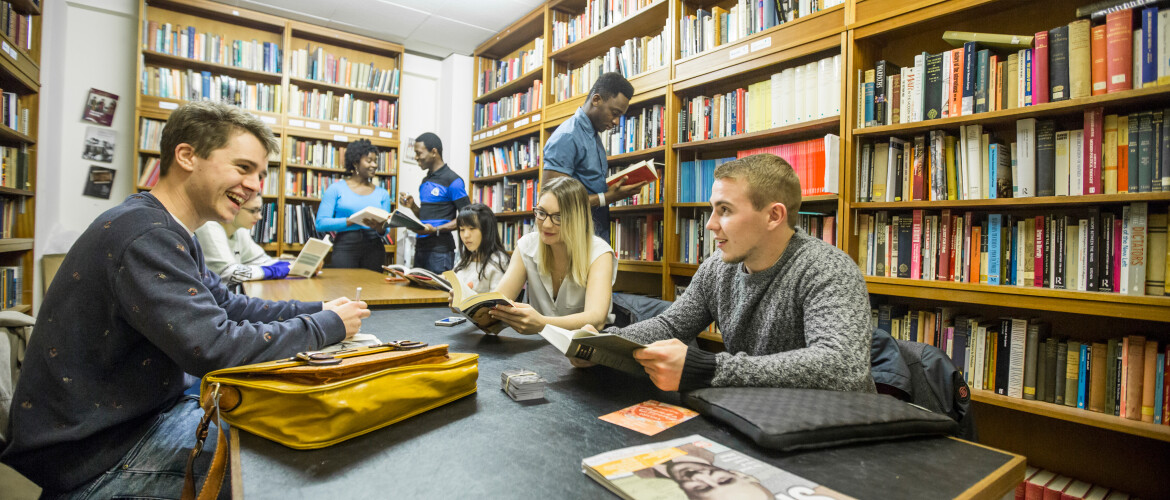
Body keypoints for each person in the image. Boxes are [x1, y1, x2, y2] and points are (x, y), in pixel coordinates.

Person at [0, 101, 371, 497]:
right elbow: (214, 346)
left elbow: (229, 305)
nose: (256, 186)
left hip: (128, 422)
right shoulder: (146, 236)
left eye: (261, 174)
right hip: (97, 460)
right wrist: (323, 327)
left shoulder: (165, 227)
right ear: (187, 156)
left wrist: (318, 309)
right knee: (290, 462)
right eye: (243, 168)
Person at [593, 154, 874, 393]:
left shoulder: (828, 269)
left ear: (773, 216)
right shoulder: (718, 268)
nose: (710, 225)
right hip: (759, 417)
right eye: (712, 210)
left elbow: (843, 367)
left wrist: (708, 369)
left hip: (841, 437)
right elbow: (671, 326)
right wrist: (603, 345)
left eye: (724, 210)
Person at [488, 177, 616, 334]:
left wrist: (543, 323)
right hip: (538, 346)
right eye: (541, 213)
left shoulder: (599, 252)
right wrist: (467, 304)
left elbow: (597, 318)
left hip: (582, 346)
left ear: (578, 219)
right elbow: (497, 302)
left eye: (558, 217)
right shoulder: (527, 245)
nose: (546, 224)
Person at [543, 72, 649, 240]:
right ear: (596, 100)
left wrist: (618, 189)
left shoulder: (593, 136)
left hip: (594, 235)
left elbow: (587, 186)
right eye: (614, 113)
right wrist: (607, 197)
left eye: (619, 116)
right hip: (573, 241)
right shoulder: (567, 136)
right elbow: (552, 201)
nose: (615, 122)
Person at [315, 138, 393, 271]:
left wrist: (380, 228)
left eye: (375, 161)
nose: (374, 165)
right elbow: (320, 224)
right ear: (356, 163)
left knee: (373, 290)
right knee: (344, 288)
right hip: (345, 247)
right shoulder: (336, 189)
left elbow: (386, 229)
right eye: (369, 161)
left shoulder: (383, 194)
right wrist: (350, 221)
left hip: (374, 248)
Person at [398, 132, 470, 274]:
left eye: (419, 153)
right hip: (420, 248)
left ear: (434, 152)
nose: (416, 157)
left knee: (439, 294)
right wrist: (412, 206)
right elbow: (426, 219)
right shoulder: (425, 182)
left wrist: (436, 230)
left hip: (440, 251)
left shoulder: (453, 181)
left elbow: (467, 217)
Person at [195, 194, 289, 290]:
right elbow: (228, 273)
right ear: (234, 207)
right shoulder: (209, 226)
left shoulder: (239, 229)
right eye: (253, 210)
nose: (259, 216)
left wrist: (291, 266)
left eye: (259, 210)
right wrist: (270, 271)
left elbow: (261, 261)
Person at [452, 203, 509, 293]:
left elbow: (497, 302)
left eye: (472, 228)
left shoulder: (499, 261)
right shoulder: (465, 258)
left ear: (486, 230)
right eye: (462, 230)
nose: (466, 235)